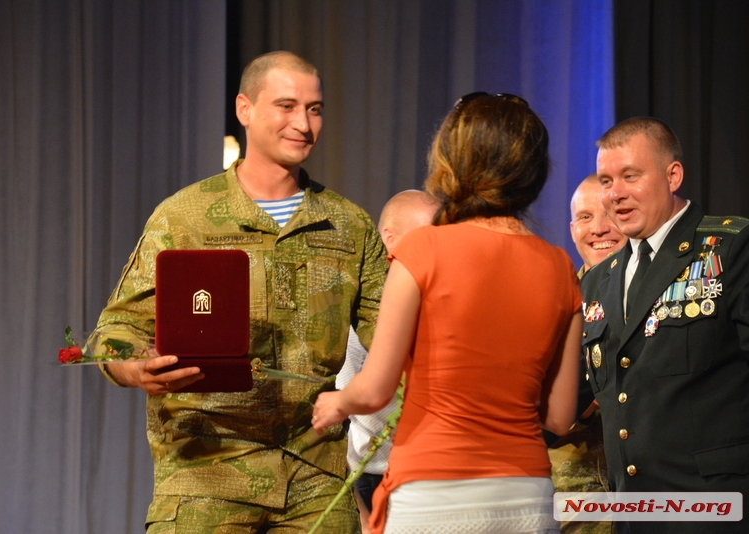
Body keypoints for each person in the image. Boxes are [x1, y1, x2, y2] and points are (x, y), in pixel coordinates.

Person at [90, 51, 388, 533]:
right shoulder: (184, 216)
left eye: (315, 109)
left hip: (314, 476)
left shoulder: (348, 225)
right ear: (244, 109)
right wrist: (135, 368)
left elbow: (391, 334)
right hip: (206, 471)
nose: (304, 123)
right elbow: (115, 331)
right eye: (287, 106)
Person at [313, 92, 582, 534]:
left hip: (433, 494)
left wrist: (336, 402)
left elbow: (375, 390)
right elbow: (558, 417)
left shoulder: (422, 250)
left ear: (451, 160)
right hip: (526, 494)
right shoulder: (560, 267)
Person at [581, 116, 749, 534]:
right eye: (606, 180)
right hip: (633, 515)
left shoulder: (730, 248)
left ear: (673, 175)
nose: (615, 193)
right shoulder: (599, 279)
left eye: (630, 176)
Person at [336, 190, 439, 533]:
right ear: (388, 240)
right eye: (428, 235)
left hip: (434, 473)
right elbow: (342, 402)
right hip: (372, 474)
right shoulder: (360, 308)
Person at [546, 174, 627, 534]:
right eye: (584, 217)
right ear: (571, 227)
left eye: (610, 213)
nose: (599, 229)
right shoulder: (548, 304)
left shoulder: (665, 297)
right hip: (573, 505)